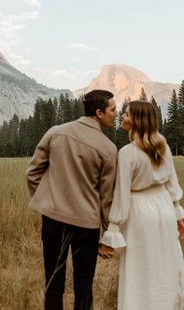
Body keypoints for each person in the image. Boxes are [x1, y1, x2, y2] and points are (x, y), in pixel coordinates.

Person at [26, 90, 117, 310]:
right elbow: (107, 198)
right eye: (112, 109)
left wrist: (47, 201)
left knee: (53, 282)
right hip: (86, 226)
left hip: (53, 221)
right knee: (84, 286)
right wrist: (107, 233)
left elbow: (32, 174)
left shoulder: (56, 133)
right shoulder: (108, 149)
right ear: (98, 112)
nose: (116, 114)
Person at [99, 100, 184, 310]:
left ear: (138, 121)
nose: (122, 117)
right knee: (165, 262)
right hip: (165, 208)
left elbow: (121, 196)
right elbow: (172, 183)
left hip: (140, 213)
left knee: (139, 267)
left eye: (127, 115)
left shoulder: (127, 153)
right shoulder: (162, 145)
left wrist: (110, 234)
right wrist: (177, 217)